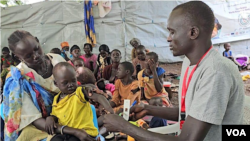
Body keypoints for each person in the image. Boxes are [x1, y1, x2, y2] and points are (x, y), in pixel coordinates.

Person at [102, 1, 245, 141]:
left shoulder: (215, 71)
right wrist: (148, 109)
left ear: (193, 32)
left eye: (172, 32)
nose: (168, 38)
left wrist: (124, 126)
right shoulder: (189, 62)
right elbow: (190, 112)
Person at [2, 30, 66, 141]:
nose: (36, 56)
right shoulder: (18, 79)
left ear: (37, 41)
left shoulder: (57, 60)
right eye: (28, 56)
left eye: (37, 49)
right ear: (18, 57)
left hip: (69, 112)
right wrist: (70, 130)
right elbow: (36, 120)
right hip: (43, 126)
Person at [45, 62, 113, 141]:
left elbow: (98, 96)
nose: (70, 85)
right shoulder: (56, 99)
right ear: (56, 83)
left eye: (73, 81)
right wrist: (51, 118)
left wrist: (109, 109)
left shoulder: (79, 92)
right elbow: (57, 115)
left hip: (85, 133)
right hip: (68, 133)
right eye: (65, 83)